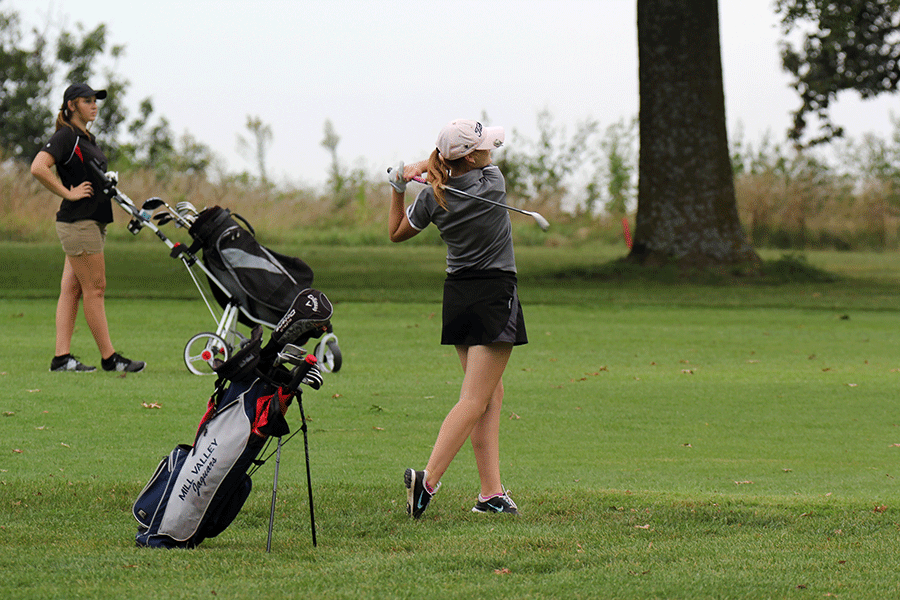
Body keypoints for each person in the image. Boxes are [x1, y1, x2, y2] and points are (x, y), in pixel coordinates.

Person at [388, 119, 527, 518]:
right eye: (484, 146)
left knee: (490, 396)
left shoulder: (433, 197)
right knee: (474, 399)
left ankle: (491, 494)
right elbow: (443, 165)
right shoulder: (492, 183)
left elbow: (397, 231)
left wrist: (399, 185)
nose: (490, 151)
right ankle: (427, 480)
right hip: (493, 294)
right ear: (471, 156)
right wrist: (420, 170)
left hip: (459, 294)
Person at [31, 83, 145, 373]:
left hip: (91, 220)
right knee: (95, 288)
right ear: (71, 105)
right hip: (78, 222)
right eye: (87, 101)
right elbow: (38, 167)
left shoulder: (86, 137)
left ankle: (61, 359)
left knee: (72, 289)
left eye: (95, 101)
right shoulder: (66, 135)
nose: (94, 105)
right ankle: (110, 359)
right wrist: (67, 193)